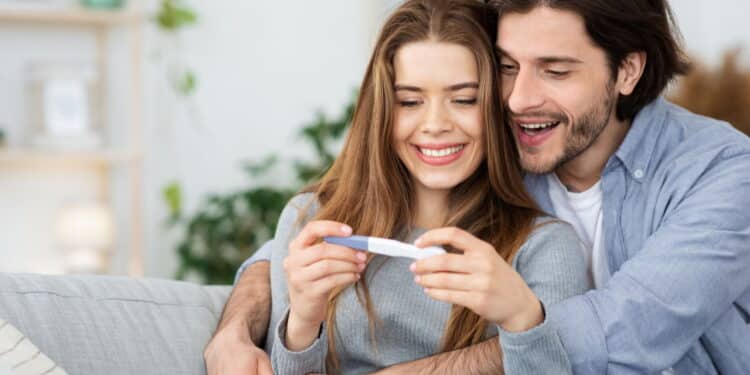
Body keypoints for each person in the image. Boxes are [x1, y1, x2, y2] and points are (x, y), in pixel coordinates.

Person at [206, 0, 750, 373]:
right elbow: (313, 232)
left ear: (628, 71)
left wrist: (517, 324)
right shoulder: (500, 145)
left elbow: (613, 337)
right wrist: (236, 331)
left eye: (555, 71)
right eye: (507, 67)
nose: (517, 99)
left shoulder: (723, 172)